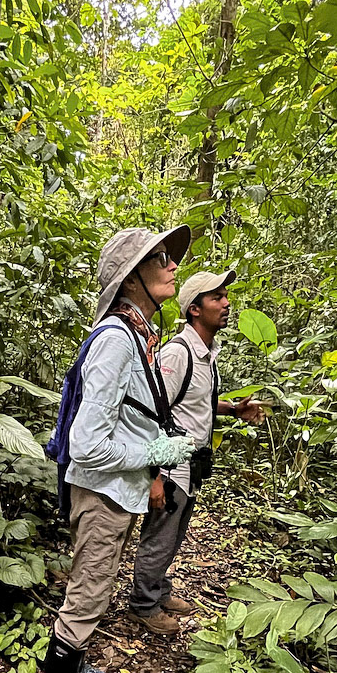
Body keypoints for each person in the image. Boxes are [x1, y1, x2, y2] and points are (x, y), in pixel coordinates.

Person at [39, 227, 196, 673]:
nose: (172, 266)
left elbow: (125, 421)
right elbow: (87, 446)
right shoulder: (116, 341)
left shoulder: (139, 338)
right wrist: (161, 452)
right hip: (101, 492)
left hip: (117, 491)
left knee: (97, 584)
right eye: (159, 260)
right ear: (131, 281)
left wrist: (152, 457)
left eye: (169, 258)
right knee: (88, 593)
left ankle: (72, 661)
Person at [129, 269, 268, 633]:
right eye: (216, 297)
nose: (226, 303)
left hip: (192, 464)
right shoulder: (179, 351)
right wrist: (155, 477)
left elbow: (196, 401)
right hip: (171, 466)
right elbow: (155, 411)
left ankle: (158, 591)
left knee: (174, 536)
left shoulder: (206, 353)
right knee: (160, 537)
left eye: (225, 296)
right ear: (194, 309)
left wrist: (232, 409)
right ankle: (142, 605)